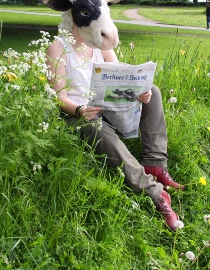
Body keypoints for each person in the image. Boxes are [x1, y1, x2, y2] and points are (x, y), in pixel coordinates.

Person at [46, 24, 185, 231]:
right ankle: (154, 192)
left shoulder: (100, 43)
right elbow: (59, 98)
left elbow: (122, 77)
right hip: (78, 114)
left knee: (153, 92)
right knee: (98, 128)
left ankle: (155, 163)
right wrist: (80, 110)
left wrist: (139, 92)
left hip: (108, 106)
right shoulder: (58, 48)